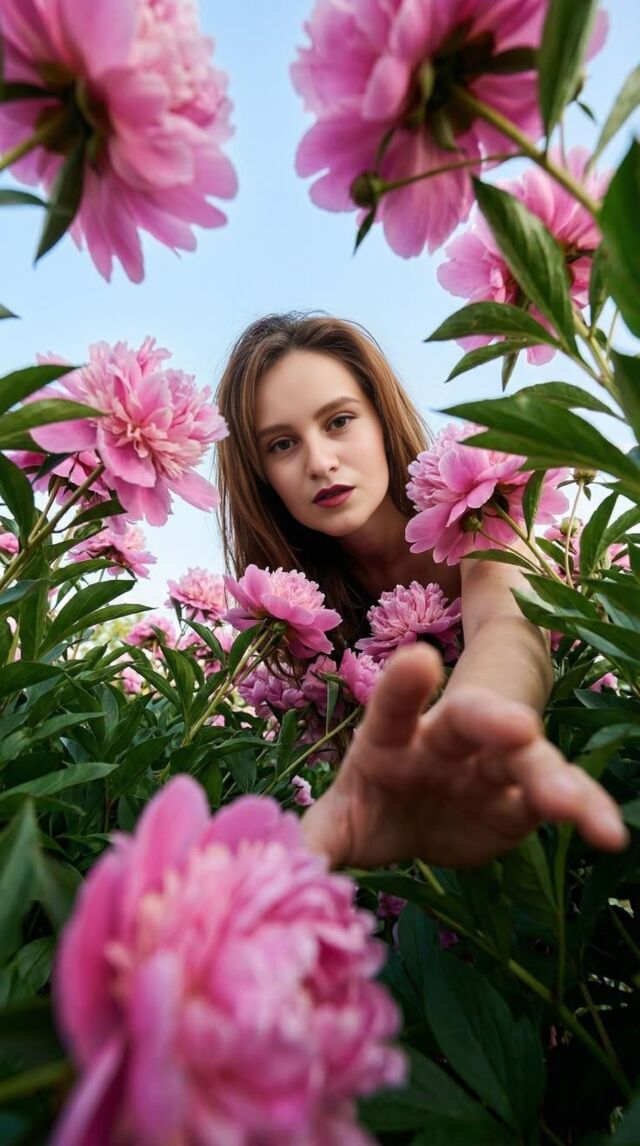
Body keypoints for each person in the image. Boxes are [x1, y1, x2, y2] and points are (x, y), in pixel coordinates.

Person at [216, 312, 628, 868]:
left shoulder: (476, 517)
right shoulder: (297, 612)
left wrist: (468, 731)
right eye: (282, 444)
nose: (320, 462)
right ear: (260, 474)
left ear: (382, 420)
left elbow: (507, 624)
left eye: (339, 421)